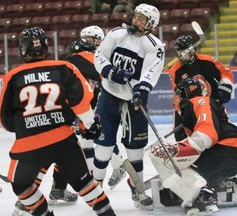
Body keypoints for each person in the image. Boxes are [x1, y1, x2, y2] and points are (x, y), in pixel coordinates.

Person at [0, 26, 116, 216]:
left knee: (21, 186)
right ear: (45, 47)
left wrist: (27, 123)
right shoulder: (64, 68)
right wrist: (89, 126)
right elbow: (82, 102)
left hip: (29, 145)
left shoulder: (12, 77)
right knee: (85, 184)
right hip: (64, 141)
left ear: (23, 49)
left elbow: (5, 122)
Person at [93, 3, 164, 210]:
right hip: (108, 97)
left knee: (135, 150)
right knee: (103, 148)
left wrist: (142, 89)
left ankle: (138, 190)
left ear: (151, 24)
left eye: (142, 19)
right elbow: (100, 55)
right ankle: (95, 190)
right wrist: (109, 70)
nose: (136, 21)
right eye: (136, 17)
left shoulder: (154, 45)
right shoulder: (116, 34)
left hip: (133, 101)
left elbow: (151, 71)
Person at [149, 77, 237, 215]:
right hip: (232, 154)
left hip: (223, 150)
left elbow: (207, 134)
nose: (175, 98)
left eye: (177, 94)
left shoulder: (198, 101)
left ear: (184, 93)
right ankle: (233, 189)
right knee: (206, 173)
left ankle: (203, 199)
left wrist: (178, 152)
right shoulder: (198, 105)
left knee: (177, 164)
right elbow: (187, 137)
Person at [165, 34, 237, 180]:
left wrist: (224, 91)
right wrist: (183, 108)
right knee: (185, 138)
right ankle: (193, 167)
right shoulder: (175, 70)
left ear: (191, 50)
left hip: (214, 105)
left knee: (224, 134)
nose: (179, 56)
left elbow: (226, 73)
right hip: (194, 108)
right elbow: (177, 94)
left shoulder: (207, 61)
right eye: (178, 53)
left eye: (182, 52)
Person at [66, 25, 127, 190]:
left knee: (97, 138)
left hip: (102, 103)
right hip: (87, 105)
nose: (84, 41)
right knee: (92, 138)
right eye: (83, 38)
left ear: (99, 40)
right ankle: (114, 167)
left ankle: (108, 171)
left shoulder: (104, 55)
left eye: (89, 38)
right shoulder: (86, 56)